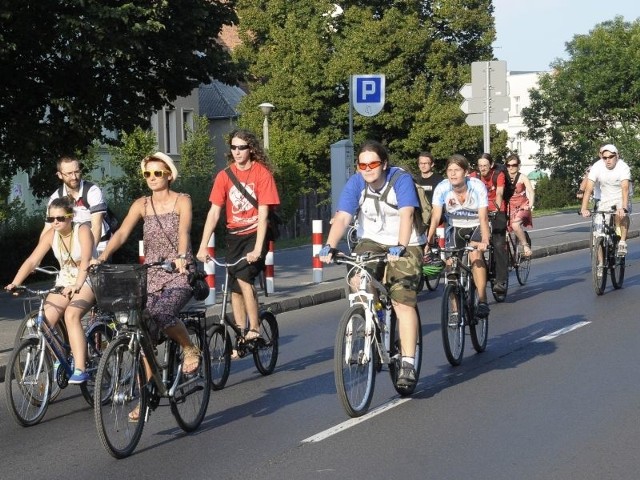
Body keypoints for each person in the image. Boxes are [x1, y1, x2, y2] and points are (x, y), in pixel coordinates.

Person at [94, 152, 200, 420]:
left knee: (163, 313)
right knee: (141, 332)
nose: (152, 178)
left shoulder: (182, 200)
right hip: (151, 274)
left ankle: (189, 347)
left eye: (157, 173)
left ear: (169, 175)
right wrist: (102, 256)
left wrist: (179, 257)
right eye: (147, 174)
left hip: (177, 270)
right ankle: (147, 396)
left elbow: (183, 230)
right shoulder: (141, 204)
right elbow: (121, 233)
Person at [318, 140, 424, 389]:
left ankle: (408, 362)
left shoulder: (400, 180)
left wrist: (400, 244)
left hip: (405, 242)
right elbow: (343, 216)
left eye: (373, 164)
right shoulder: (356, 182)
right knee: (357, 277)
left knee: (401, 299)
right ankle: (373, 314)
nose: (367, 168)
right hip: (371, 240)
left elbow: (407, 213)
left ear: (384, 164)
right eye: (362, 164)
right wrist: (330, 245)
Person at [196, 130, 280, 350]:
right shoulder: (224, 176)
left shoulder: (262, 174)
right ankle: (242, 335)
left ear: (251, 148)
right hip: (234, 236)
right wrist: (203, 245)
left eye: (241, 147)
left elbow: (263, 216)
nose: (237, 152)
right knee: (233, 287)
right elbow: (214, 212)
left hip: (256, 234)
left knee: (244, 279)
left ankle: (254, 329)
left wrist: (258, 249)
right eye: (233, 147)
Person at [6, 197, 95, 384]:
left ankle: (80, 368)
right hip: (64, 280)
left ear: (71, 217)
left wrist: (78, 285)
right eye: (51, 219)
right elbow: (32, 261)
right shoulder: (51, 235)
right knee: (45, 320)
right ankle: (60, 358)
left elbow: (86, 261)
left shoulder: (83, 230)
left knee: (71, 315)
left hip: (87, 279)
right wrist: (15, 282)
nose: (55, 222)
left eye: (60, 218)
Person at [427, 154, 491, 318]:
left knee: (476, 255)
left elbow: (483, 217)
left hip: (476, 224)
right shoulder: (442, 188)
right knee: (451, 267)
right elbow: (435, 216)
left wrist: (485, 240)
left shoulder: (476, 186)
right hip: (455, 226)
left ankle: (482, 299)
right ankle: (455, 310)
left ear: (466, 172)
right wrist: (428, 241)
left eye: (457, 170)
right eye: (450, 170)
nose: (453, 174)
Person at [43, 155, 112, 255]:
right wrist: (37, 258)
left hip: (99, 246)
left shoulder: (92, 191)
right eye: (69, 173)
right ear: (60, 175)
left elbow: (96, 227)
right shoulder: (56, 197)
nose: (74, 177)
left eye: (77, 172)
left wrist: (89, 256)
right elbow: (48, 228)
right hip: (73, 248)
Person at [580, 144, 631, 256]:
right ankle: (599, 265)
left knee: (621, 215)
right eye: (605, 158)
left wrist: (624, 207)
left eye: (611, 157)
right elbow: (588, 188)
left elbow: (625, 188)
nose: (608, 160)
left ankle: (622, 241)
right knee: (597, 233)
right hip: (604, 199)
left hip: (620, 197)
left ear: (617, 156)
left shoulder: (623, 167)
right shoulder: (597, 167)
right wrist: (584, 208)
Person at [470, 153, 508, 294]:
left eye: (485, 165)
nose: (482, 168)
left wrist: (497, 209)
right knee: (474, 243)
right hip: (480, 212)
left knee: (498, 244)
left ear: (491, 165)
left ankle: (500, 280)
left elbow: (499, 193)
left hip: (496, 210)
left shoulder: (498, 175)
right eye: (480, 166)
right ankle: (480, 271)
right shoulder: (474, 176)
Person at [506, 153, 535, 257]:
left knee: (515, 225)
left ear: (518, 166)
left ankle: (525, 245)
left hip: (522, 206)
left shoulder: (522, 177)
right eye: (508, 165)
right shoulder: (503, 177)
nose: (511, 168)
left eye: (514, 165)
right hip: (509, 207)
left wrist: (530, 205)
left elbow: (531, 192)